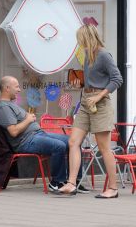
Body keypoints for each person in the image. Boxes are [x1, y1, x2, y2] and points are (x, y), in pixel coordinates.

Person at [56, 24, 123, 198]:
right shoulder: (88, 55)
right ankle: (71, 184)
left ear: (88, 38)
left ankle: (113, 188)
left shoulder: (103, 55)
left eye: (81, 39)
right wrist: (82, 84)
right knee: (73, 142)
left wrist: (99, 96)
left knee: (104, 147)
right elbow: (93, 79)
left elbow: (117, 79)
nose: (79, 43)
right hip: (86, 102)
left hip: (100, 104)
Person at [0, 75, 89, 193]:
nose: (19, 90)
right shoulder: (3, 107)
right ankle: (56, 182)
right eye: (17, 87)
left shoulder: (11, 104)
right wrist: (28, 120)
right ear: (7, 88)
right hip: (26, 141)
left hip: (37, 134)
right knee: (59, 145)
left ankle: (75, 181)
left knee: (74, 141)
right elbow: (13, 131)